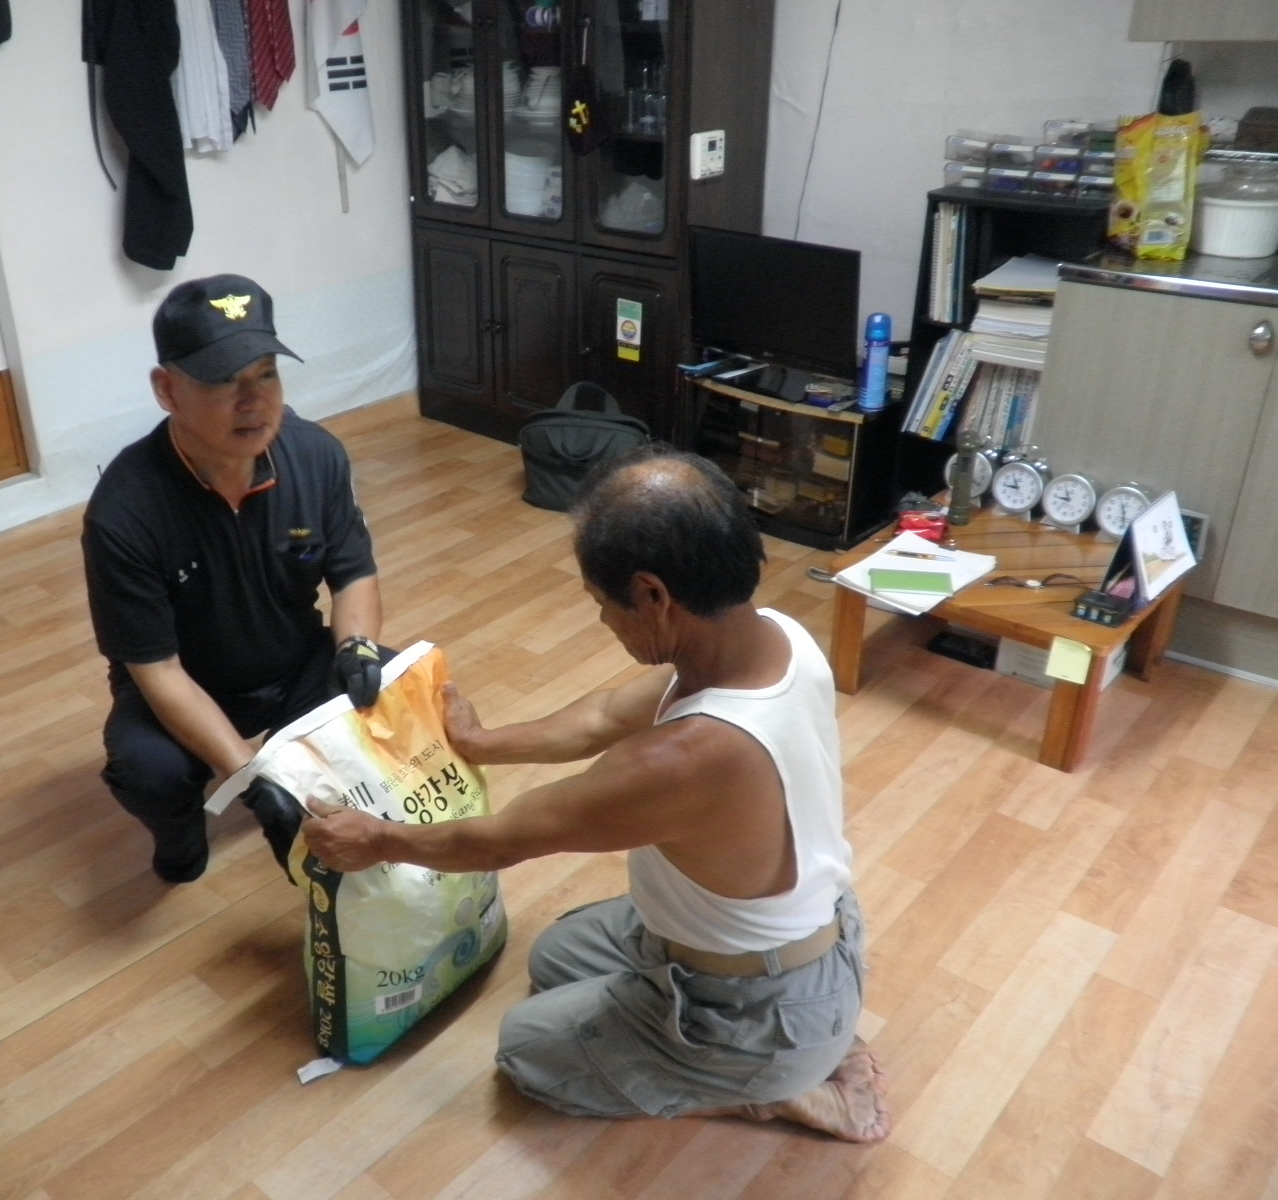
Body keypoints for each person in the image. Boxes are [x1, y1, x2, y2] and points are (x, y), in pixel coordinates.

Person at [301, 447, 889, 1142]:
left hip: (756, 1010)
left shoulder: (691, 756)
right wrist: (484, 743)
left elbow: (503, 840)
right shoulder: (772, 636)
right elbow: (605, 716)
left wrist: (379, 839)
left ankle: (775, 1087)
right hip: (803, 942)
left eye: (601, 603)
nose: (603, 621)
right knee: (555, 956)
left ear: (652, 595)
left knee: (525, 1050)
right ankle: (800, 1044)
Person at [82, 274, 385, 884]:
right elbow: (158, 671)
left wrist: (356, 648)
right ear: (166, 390)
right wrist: (253, 781)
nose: (252, 401)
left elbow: (353, 574)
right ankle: (180, 834)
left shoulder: (316, 456)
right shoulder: (124, 511)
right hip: (186, 684)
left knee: (389, 689)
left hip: (293, 665)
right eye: (223, 381)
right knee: (148, 771)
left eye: (265, 375)